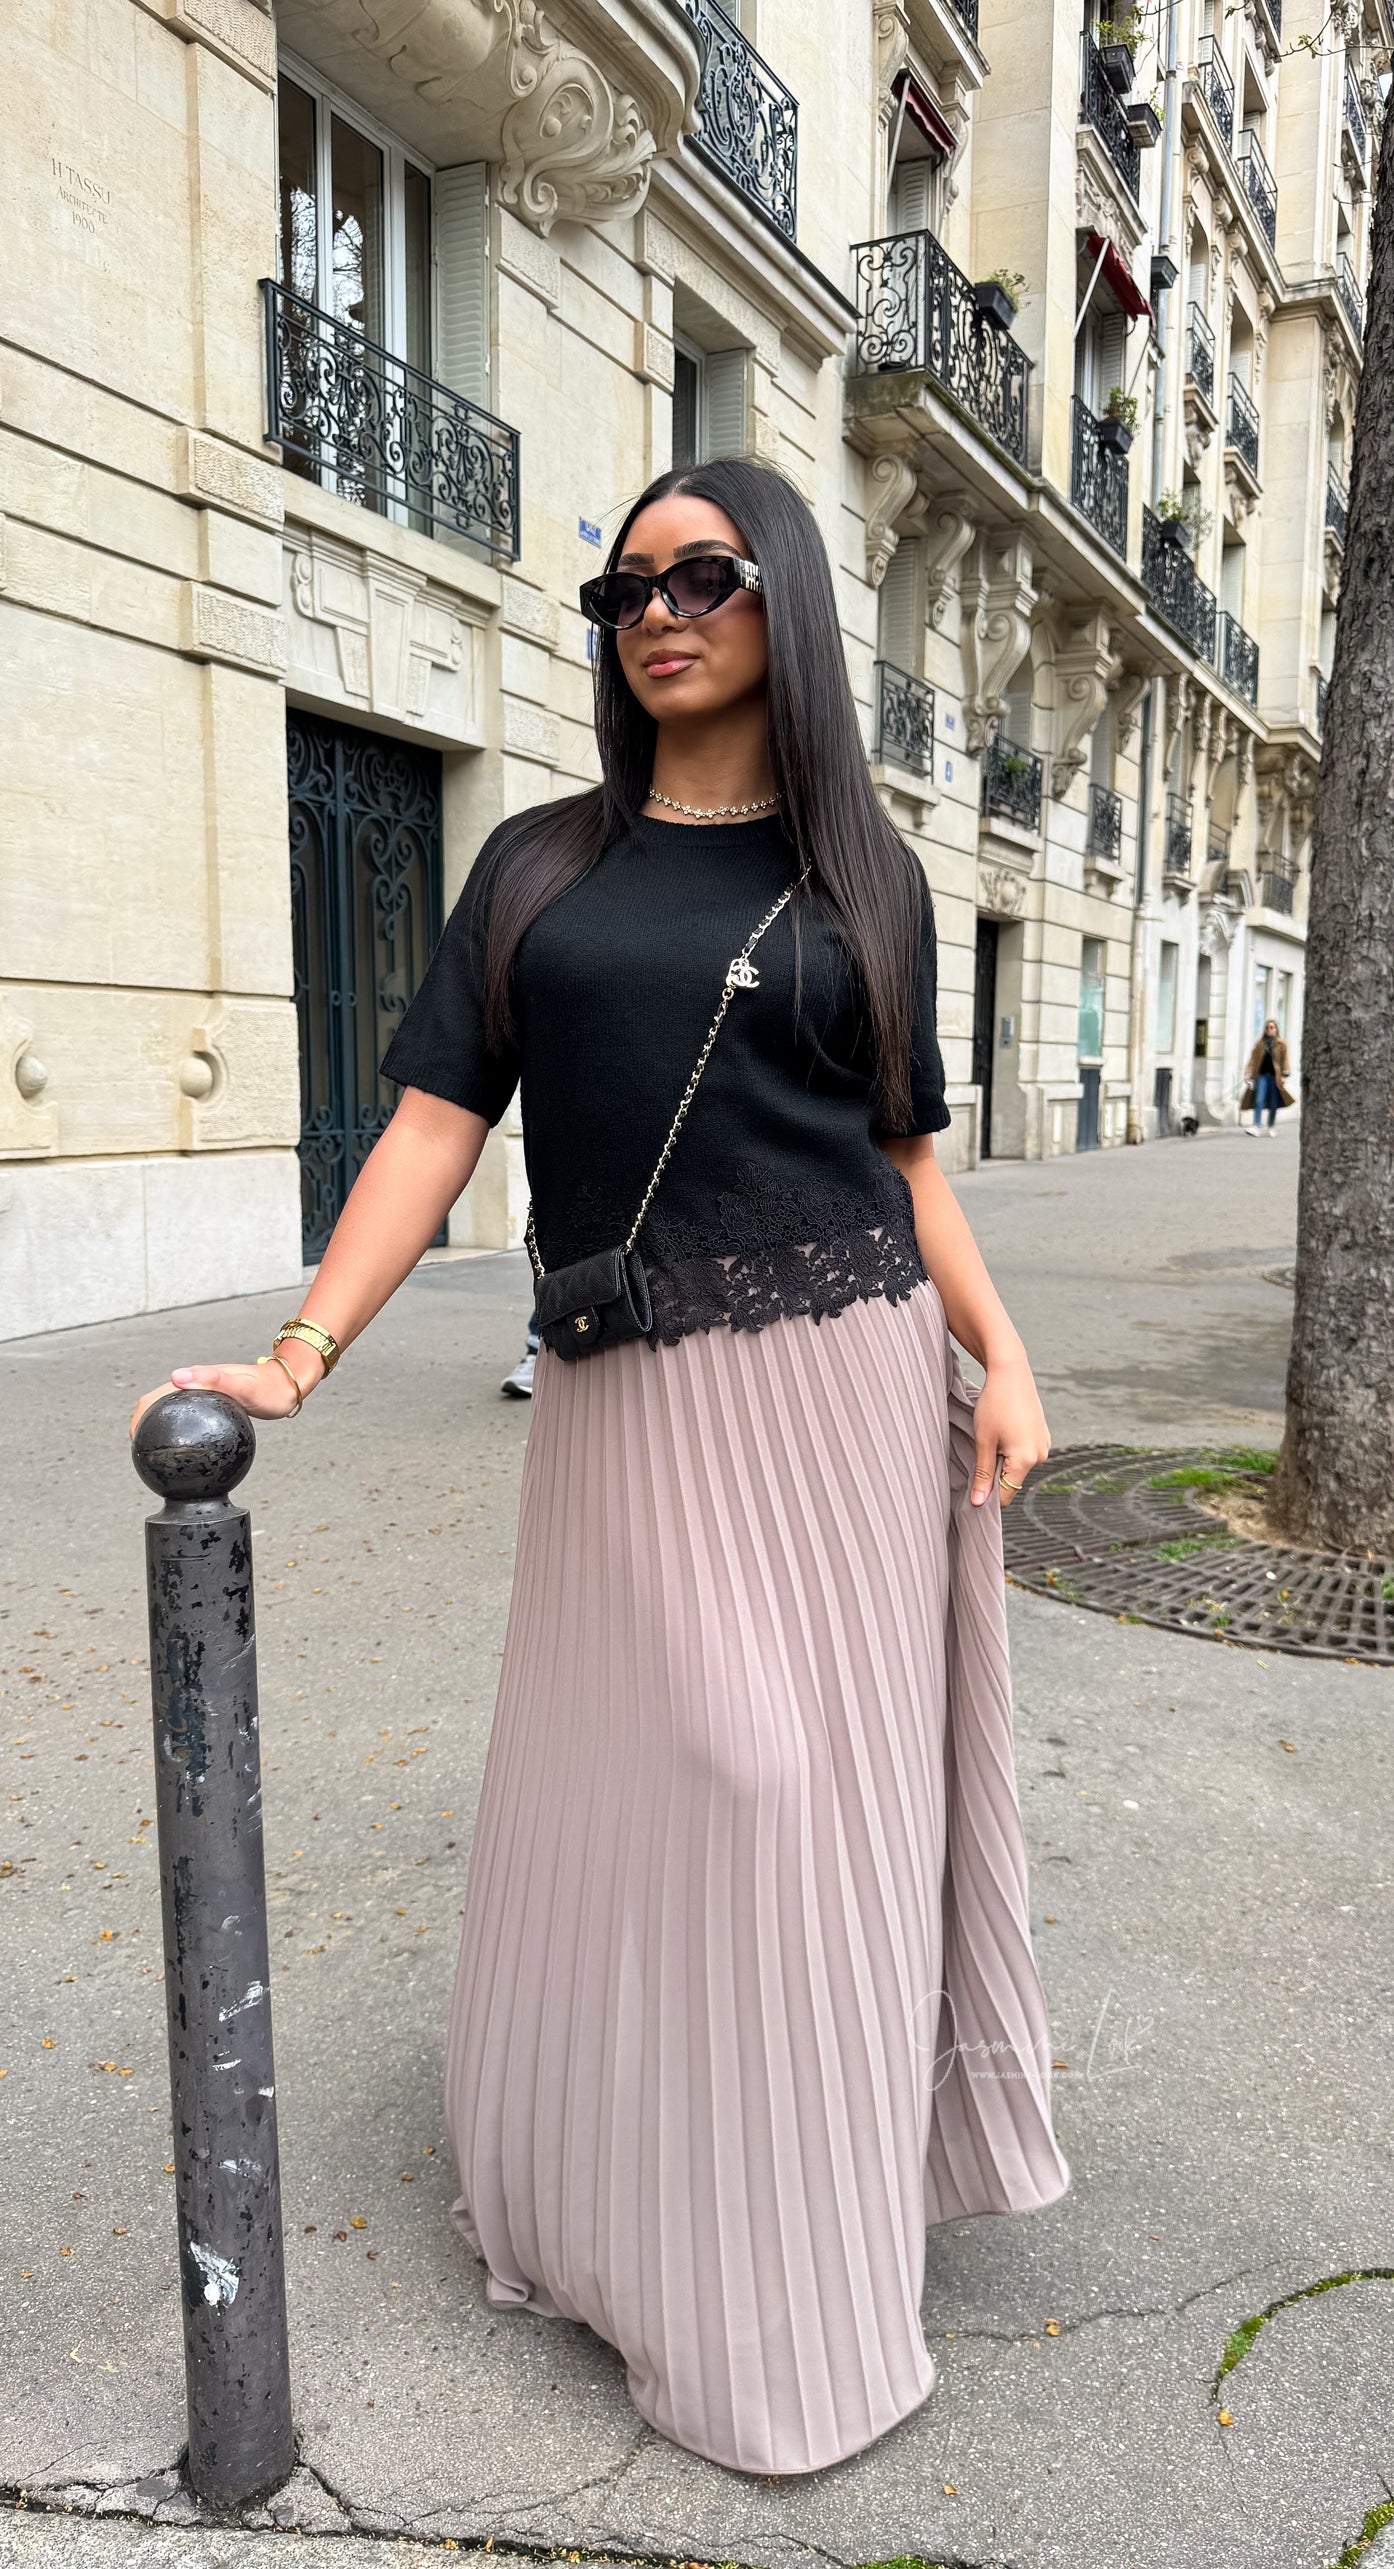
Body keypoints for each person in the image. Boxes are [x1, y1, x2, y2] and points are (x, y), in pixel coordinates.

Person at [129, 457, 1069, 2476]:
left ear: (781, 600)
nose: (656, 614)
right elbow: (431, 1125)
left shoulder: (867, 878)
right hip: (630, 1399)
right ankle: (619, 2200)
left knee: (809, 1810)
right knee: (671, 1788)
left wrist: (1001, 1356)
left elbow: (909, 1164)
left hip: (845, 1386)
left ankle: (797, 2255)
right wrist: (301, 1350)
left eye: (702, 577)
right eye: (624, 589)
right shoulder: (538, 867)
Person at [1240, 1015, 1294, 1136]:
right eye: (1267, 1028)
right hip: (1261, 1076)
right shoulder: (1260, 1043)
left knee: (1273, 1103)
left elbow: (1285, 1060)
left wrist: (1284, 1075)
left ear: (1276, 1029)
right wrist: (1248, 1073)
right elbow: (1253, 1059)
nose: (1269, 1030)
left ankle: (1271, 1126)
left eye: (1272, 1027)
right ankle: (1256, 1126)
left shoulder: (1281, 1044)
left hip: (1275, 1077)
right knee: (1259, 1100)